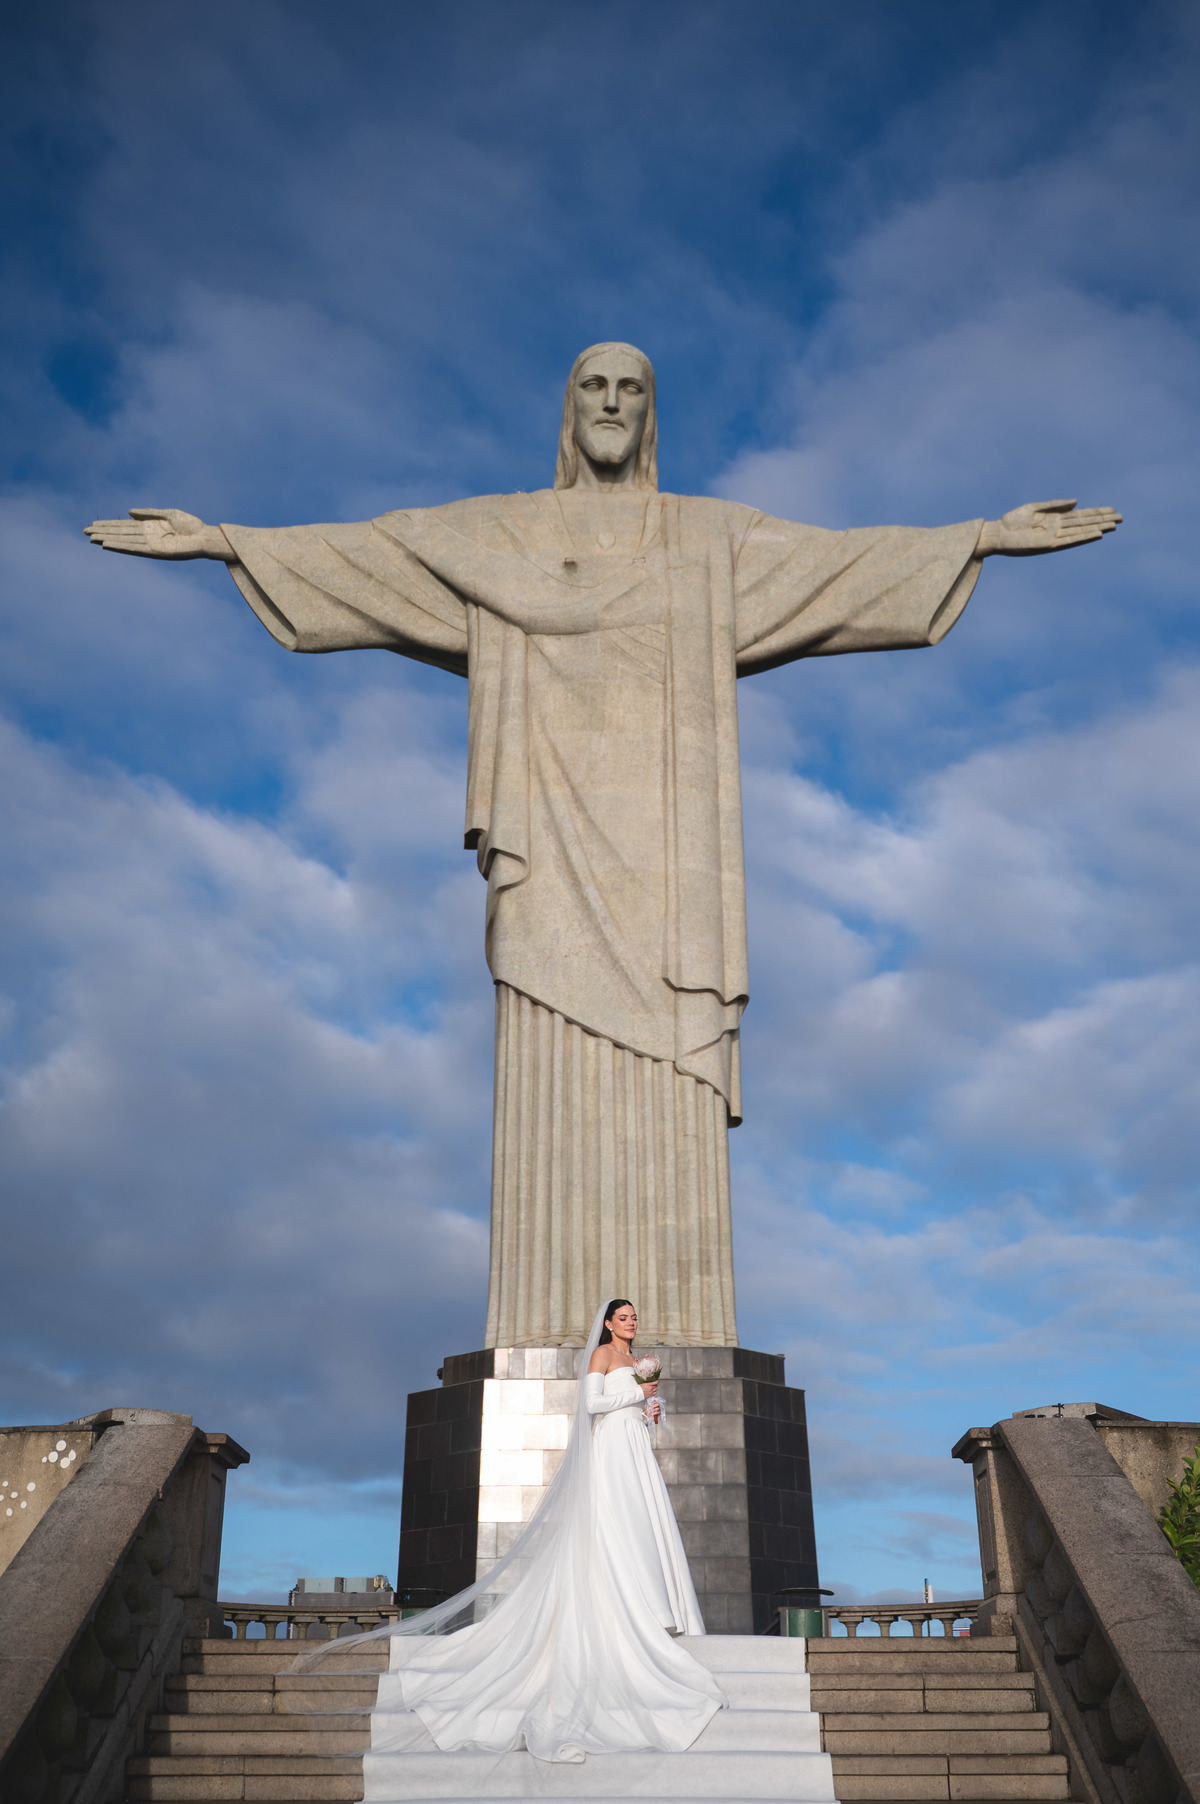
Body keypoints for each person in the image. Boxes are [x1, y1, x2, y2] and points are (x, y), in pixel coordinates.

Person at [85, 345, 1121, 1353]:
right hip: (547, 847)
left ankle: (676, 1325)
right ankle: (544, 1326)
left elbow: (839, 563)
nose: (613, 401)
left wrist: (979, 536)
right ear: (569, 409)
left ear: (652, 414)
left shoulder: (708, 541)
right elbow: (373, 554)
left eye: (633, 388)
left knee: (671, 1069)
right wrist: (224, 540)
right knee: (546, 1052)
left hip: (671, 868)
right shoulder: (498, 537)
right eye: (594, 385)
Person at [297, 1298, 725, 1766]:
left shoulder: (637, 1362)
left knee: (642, 1526)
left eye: (634, 1317)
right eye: (623, 1317)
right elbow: (591, 1404)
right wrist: (637, 1396)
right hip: (612, 1448)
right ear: (607, 1323)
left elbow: (635, 1408)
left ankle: (649, 1607)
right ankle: (629, 1609)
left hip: (635, 1444)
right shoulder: (603, 1356)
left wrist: (651, 1411)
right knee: (615, 1526)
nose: (631, 1322)